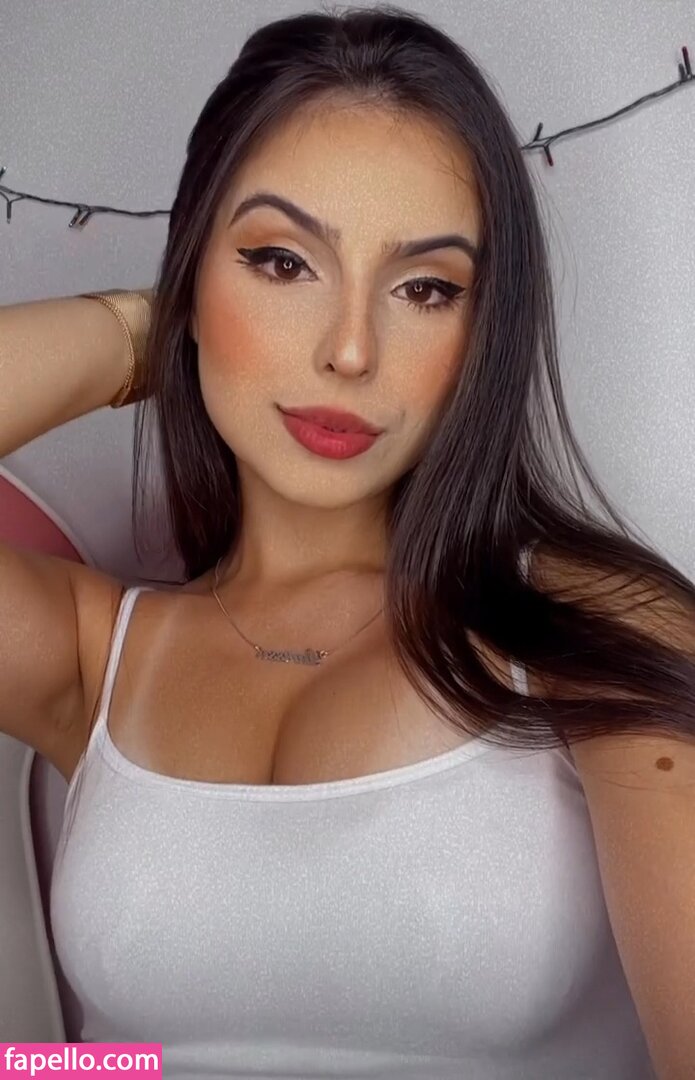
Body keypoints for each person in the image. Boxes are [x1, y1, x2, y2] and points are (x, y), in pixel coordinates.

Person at [1, 6, 694, 1078]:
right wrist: (145, 330)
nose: (351, 349)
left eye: (425, 288)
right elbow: (100, 1064)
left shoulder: (587, 631)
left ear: (481, 330)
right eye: (281, 263)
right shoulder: (96, 654)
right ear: (194, 270)